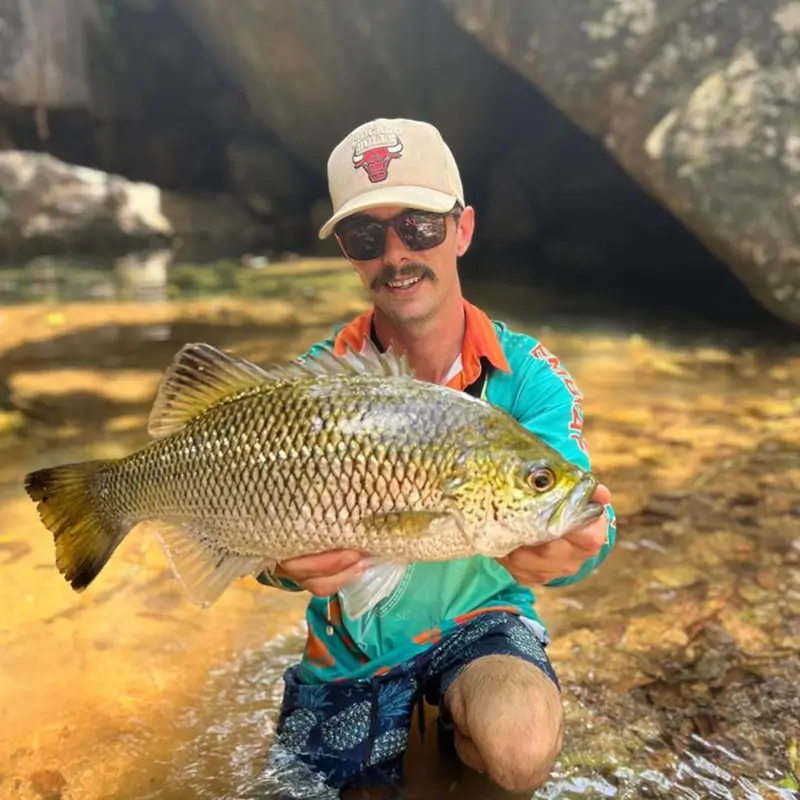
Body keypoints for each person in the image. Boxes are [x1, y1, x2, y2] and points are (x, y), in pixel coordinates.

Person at [257, 118, 617, 795]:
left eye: (419, 226)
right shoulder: (313, 388)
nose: (396, 255)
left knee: (521, 744)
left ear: (464, 229)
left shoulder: (528, 377)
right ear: (347, 251)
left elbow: (583, 512)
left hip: (480, 626)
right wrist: (280, 564)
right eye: (367, 235)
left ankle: (461, 741)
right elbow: (261, 548)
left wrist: (583, 548)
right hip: (348, 649)